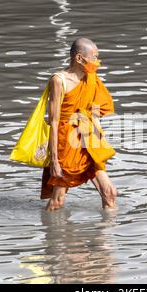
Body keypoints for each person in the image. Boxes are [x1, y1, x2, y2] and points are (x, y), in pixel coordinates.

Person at [40, 37, 117, 212]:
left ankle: (107, 238)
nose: (97, 63)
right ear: (79, 59)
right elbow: (53, 121)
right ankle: (52, 237)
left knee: (109, 192)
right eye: (94, 58)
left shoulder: (91, 78)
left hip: (88, 137)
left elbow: (96, 109)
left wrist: (98, 143)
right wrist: (54, 160)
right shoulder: (59, 80)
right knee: (57, 202)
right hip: (66, 143)